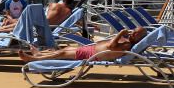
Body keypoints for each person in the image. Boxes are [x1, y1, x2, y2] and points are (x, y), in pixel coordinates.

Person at [19, 27, 148, 63]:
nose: (132, 33)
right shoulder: (127, 41)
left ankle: (33, 59)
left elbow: (111, 46)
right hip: (92, 49)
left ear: (138, 37)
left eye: (135, 33)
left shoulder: (127, 46)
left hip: (93, 54)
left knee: (62, 53)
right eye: (133, 31)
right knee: (65, 49)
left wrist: (120, 34)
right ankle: (40, 53)